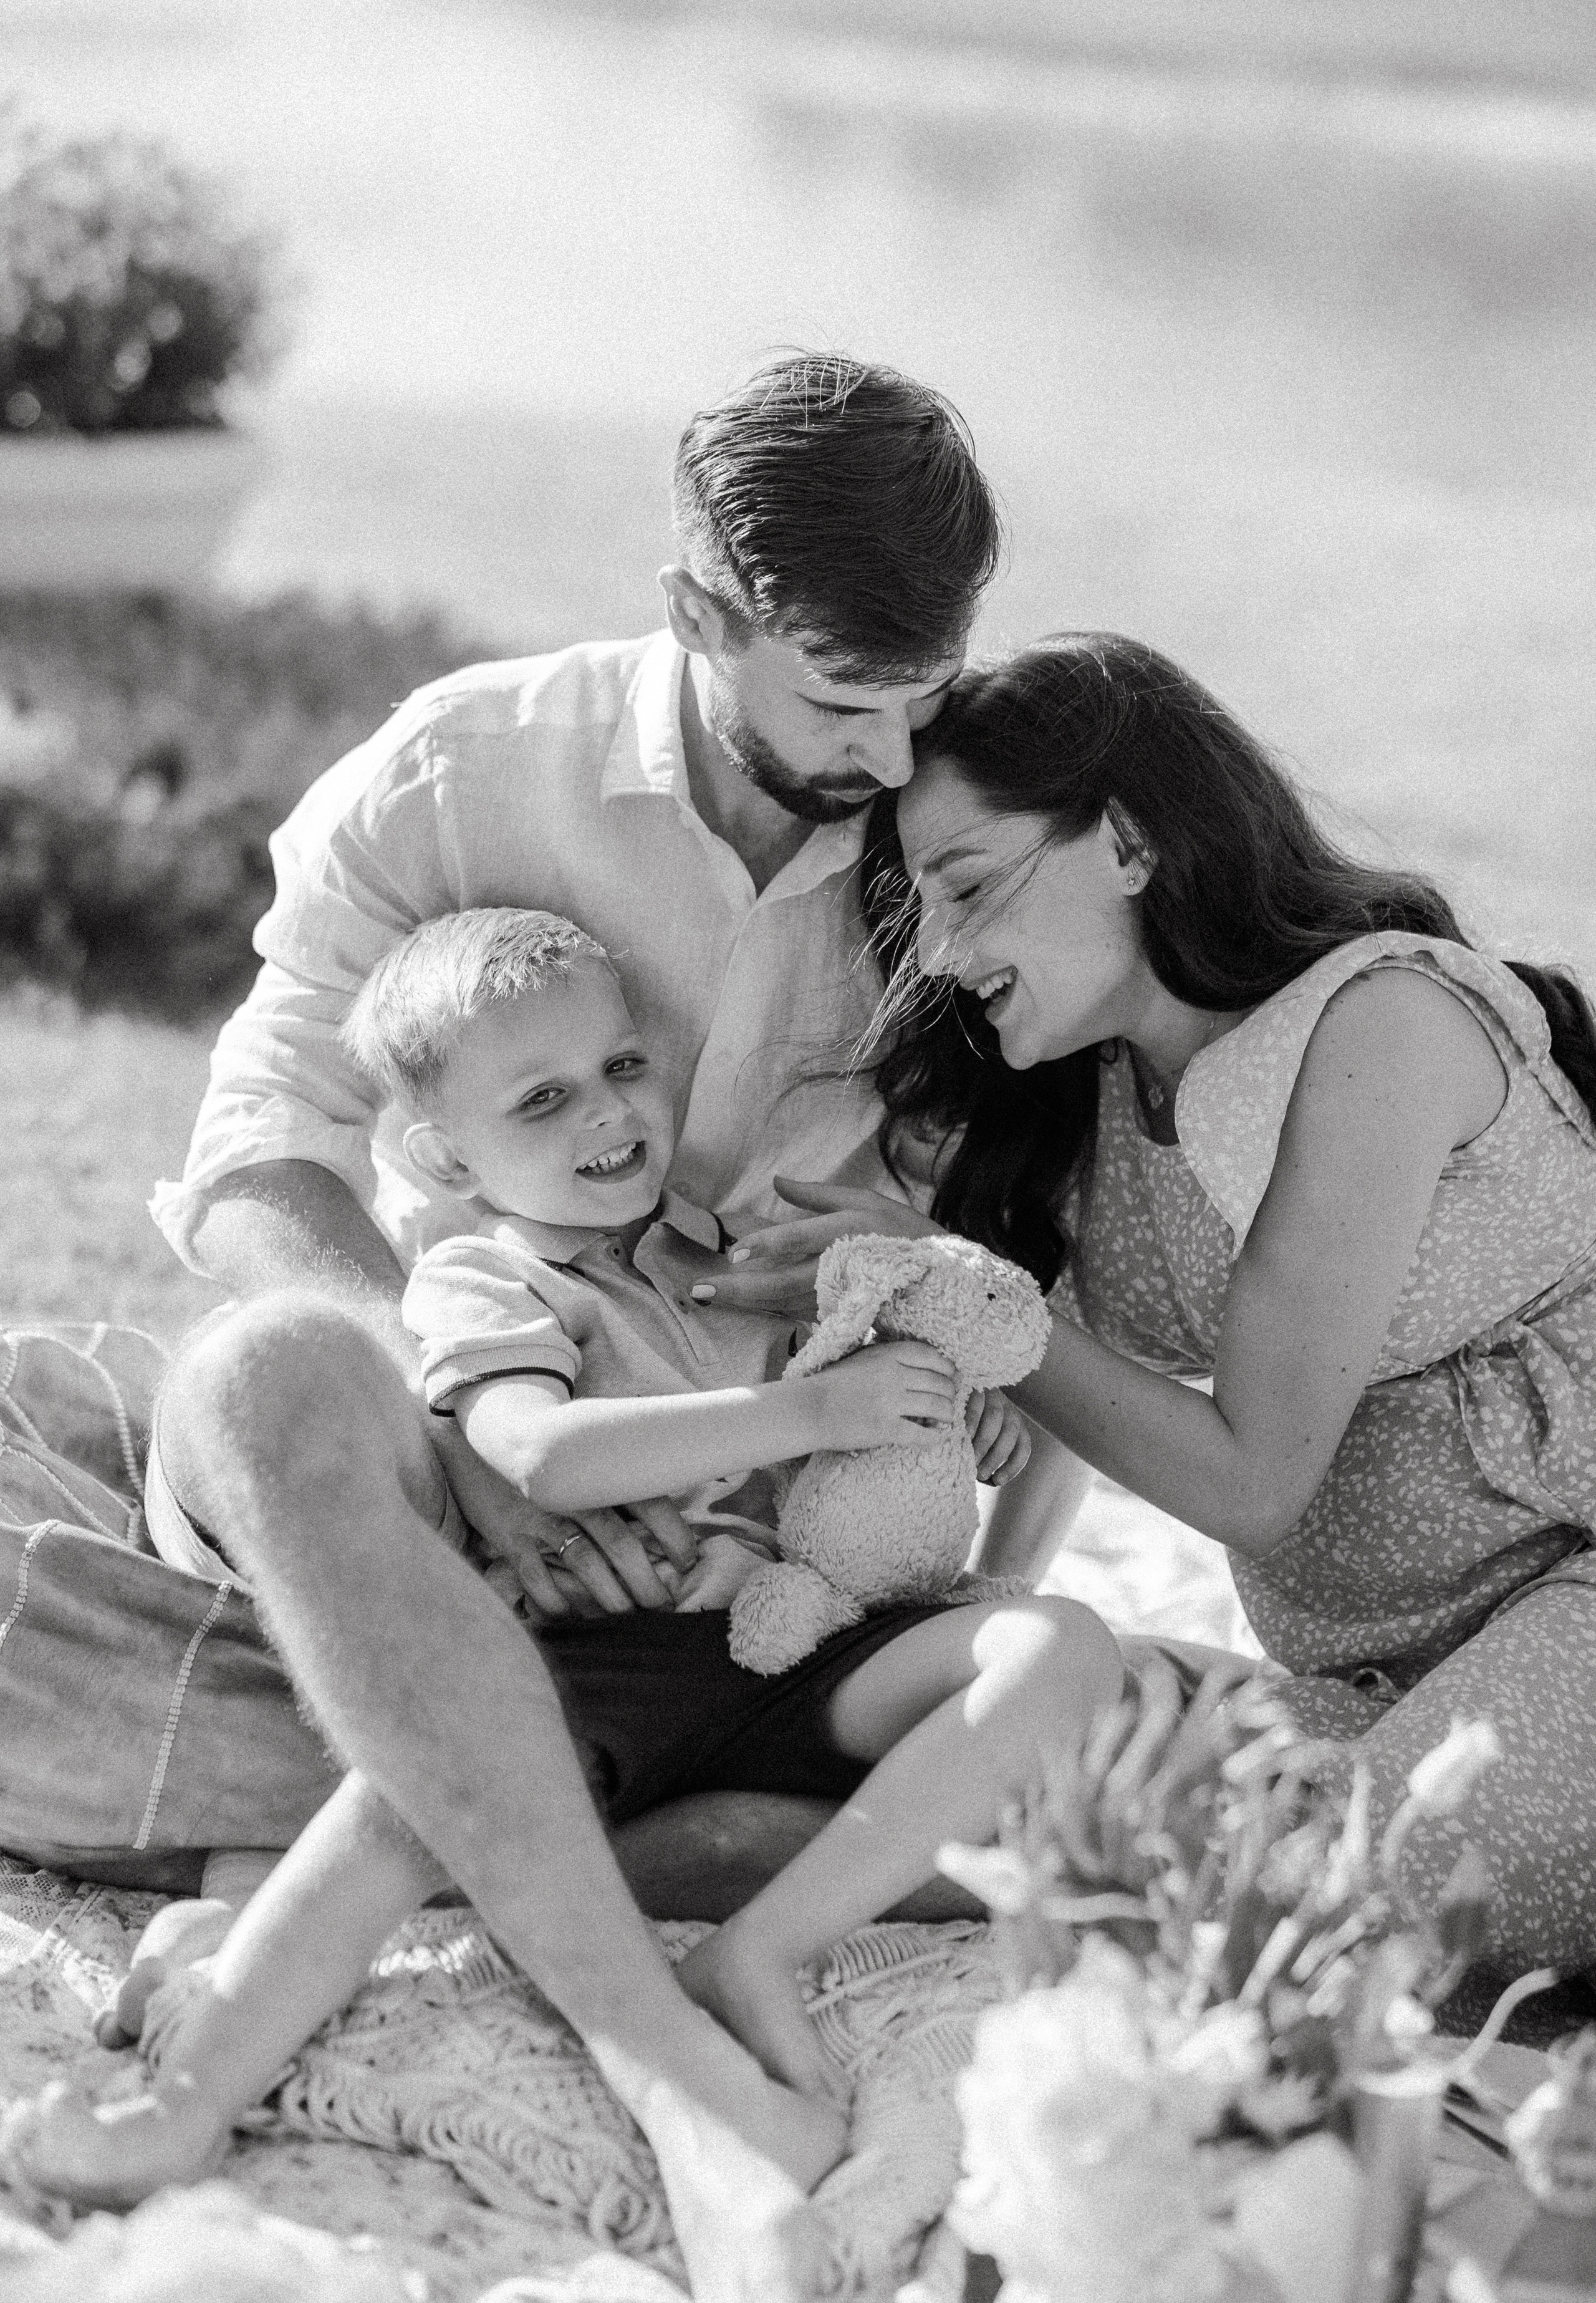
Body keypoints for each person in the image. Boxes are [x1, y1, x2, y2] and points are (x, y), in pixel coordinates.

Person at [0, 353, 1081, 2303]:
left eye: (927, 687)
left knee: (1094, 1731)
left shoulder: (954, 824)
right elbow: (260, 1148)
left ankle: (476, 1827)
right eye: (843, 696)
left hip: (729, 1552)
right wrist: (464, 1424)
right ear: (698, 612)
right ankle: (671, 2062)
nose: (896, 744)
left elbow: (1009, 1218)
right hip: (432, 1430)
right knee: (263, 1372)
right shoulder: (463, 767)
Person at [1, 905, 1116, 2221]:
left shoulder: (729, 1252)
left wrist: (938, 1415)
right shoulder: (486, 1279)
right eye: (543, 1099)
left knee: (1059, 1646)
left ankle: (761, 1949)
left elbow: (842, 1435)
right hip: (609, 1657)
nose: (606, 1113)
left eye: (623, 1067)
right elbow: (535, 1454)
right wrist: (810, 1413)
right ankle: (183, 2104)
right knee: (409, 1802)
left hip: (795, 1638)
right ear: (444, 1155)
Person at [787, 629, 1593, 1980]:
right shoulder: (1094, 1100)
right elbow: (1078, 1390)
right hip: (1359, 1683)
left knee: (1296, 1921)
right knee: (968, 1780)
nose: (934, 949)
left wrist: (952, 1285)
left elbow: (1248, 1477)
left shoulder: (1381, 1021)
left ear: (1127, 841)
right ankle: (634, 1862)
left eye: (966, 885)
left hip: (1574, 1609)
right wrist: (998, 1600)